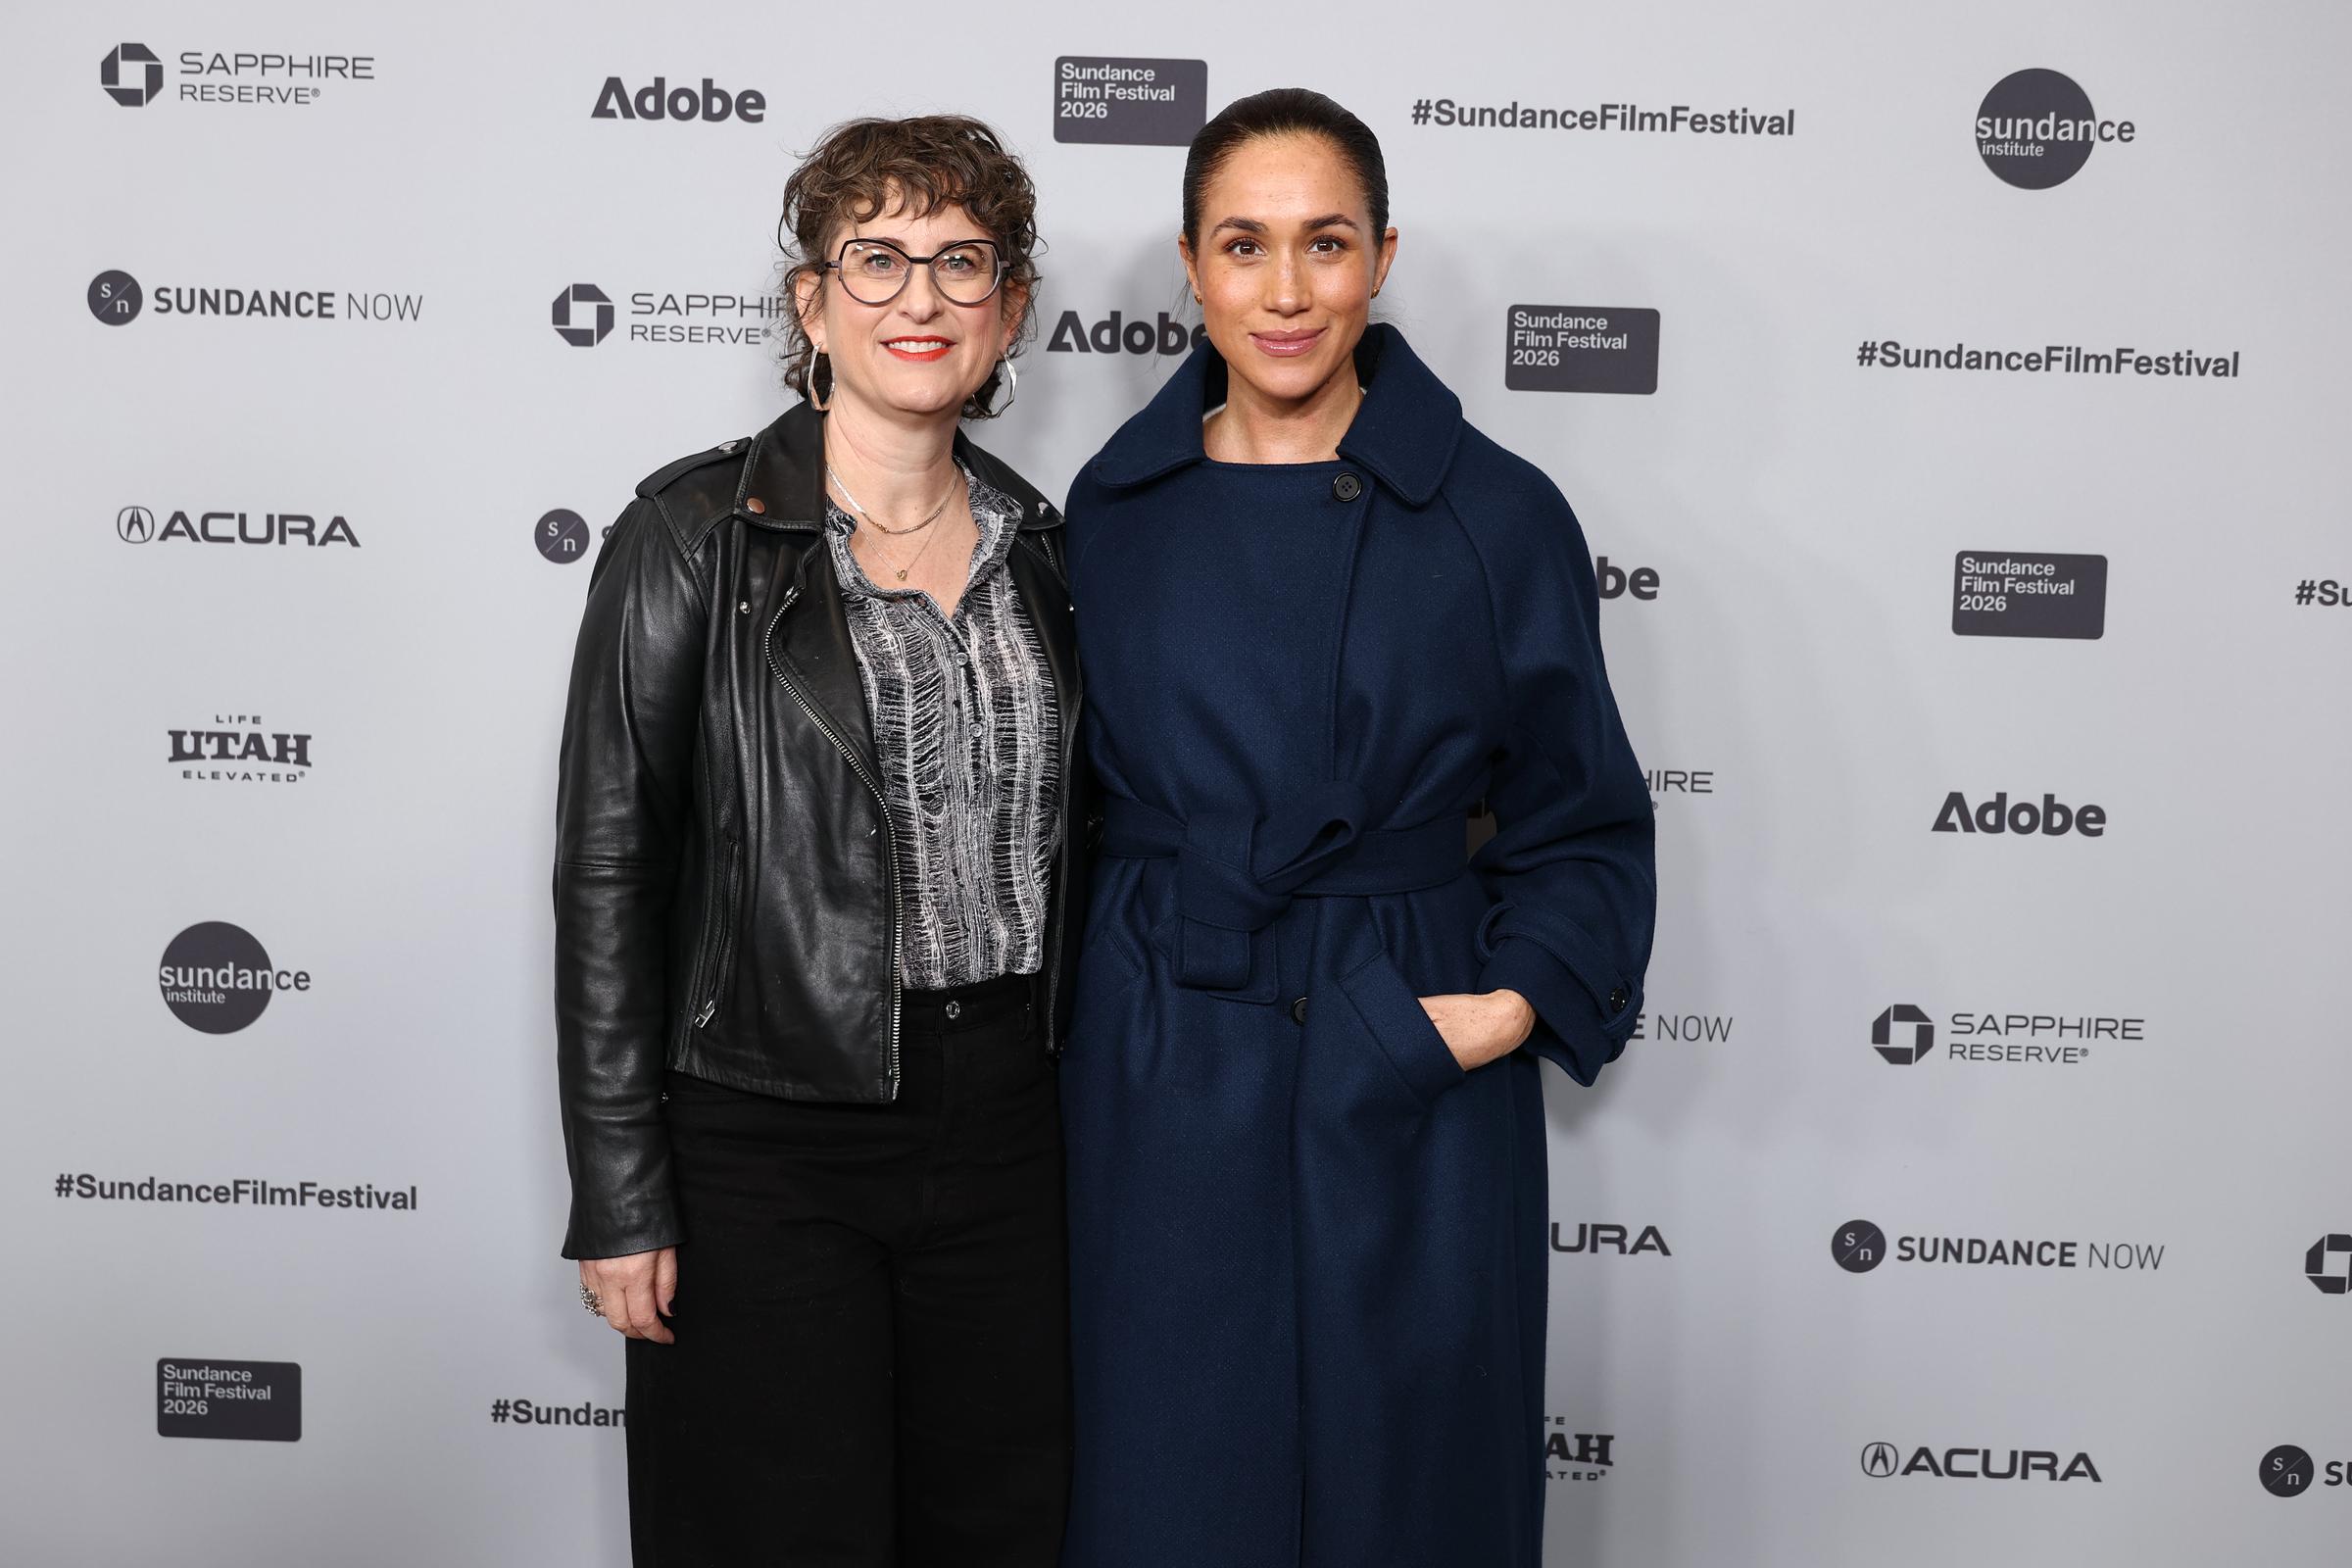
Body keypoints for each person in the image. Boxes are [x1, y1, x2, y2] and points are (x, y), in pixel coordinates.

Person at [1058, 88, 1655, 1566]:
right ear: (1190, 268)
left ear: (1382, 257)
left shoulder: (1497, 513)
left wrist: (1499, 1012)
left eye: (1323, 243)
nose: (1283, 291)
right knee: (1163, 1475)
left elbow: (1583, 813)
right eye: (1243, 245)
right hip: (1161, 1053)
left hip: (1405, 1036)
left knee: (1410, 1485)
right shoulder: (1111, 511)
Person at [552, 114, 1082, 1567]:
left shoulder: (1051, 549)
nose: (921, 298)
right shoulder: (688, 537)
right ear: (812, 302)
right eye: (879, 259)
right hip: (763, 1139)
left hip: (1010, 1131)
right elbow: (611, 873)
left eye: (960, 263)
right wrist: (620, 1187)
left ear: (1011, 307)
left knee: (996, 1530)